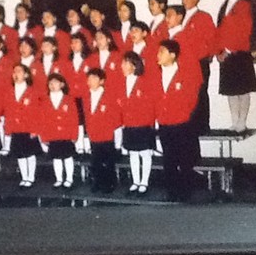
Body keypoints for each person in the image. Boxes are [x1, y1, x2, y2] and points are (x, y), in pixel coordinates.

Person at [153, 39, 201, 202]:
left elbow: (192, 98)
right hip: (164, 123)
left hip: (181, 123)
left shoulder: (184, 74)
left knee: (184, 159)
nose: (157, 55)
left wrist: (184, 114)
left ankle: (186, 192)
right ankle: (172, 192)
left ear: (172, 55)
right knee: (169, 158)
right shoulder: (156, 74)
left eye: (162, 51)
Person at [215, 0, 256, 132]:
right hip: (225, 55)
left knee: (242, 89)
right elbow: (219, 31)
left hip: (239, 53)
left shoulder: (244, 5)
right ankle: (234, 121)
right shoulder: (224, 6)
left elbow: (244, 30)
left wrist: (228, 49)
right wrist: (218, 51)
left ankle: (242, 122)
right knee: (231, 90)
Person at [117, 51, 156, 195]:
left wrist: (151, 123)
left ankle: (144, 182)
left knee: (145, 153)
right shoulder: (120, 83)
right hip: (128, 124)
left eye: (125, 63)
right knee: (133, 154)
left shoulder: (144, 82)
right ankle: (136, 181)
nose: (122, 66)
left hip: (143, 124)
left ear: (134, 65)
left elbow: (150, 104)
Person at [181, 0, 216, 134]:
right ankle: (188, 122)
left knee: (201, 92)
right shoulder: (180, 17)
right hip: (184, 62)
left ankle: (202, 125)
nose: (185, 0)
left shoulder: (203, 17)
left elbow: (212, 37)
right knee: (186, 93)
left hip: (199, 61)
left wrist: (210, 54)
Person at [83, 68, 121, 193]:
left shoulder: (109, 95)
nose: (90, 81)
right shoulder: (86, 96)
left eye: (94, 78)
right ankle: (97, 182)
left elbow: (115, 115)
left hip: (106, 134)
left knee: (108, 160)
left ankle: (110, 182)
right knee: (96, 160)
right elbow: (87, 115)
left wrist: (110, 128)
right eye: (89, 78)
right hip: (93, 134)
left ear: (101, 81)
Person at [4, 64, 41, 188]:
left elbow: (37, 112)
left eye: (19, 71)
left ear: (26, 75)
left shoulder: (32, 91)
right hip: (15, 128)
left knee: (30, 154)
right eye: (14, 71)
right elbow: (8, 111)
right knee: (20, 154)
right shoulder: (9, 91)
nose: (16, 74)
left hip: (28, 128)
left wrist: (35, 129)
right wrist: (8, 129)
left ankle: (31, 177)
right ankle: (24, 177)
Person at [38, 73, 79, 189]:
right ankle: (59, 179)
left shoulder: (69, 99)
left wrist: (74, 135)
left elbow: (74, 119)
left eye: (55, 82)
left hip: (66, 134)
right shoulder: (45, 100)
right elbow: (42, 120)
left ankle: (69, 179)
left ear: (62, 84)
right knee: (56, 158)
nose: (52, 85)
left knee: (67, 157)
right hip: (53, 134)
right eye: (50, 83)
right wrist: (44, 137)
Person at [66, 32, 92, 154]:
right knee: (76, 121)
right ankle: (79, 145)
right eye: (72, 42)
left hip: (86, 95)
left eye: (77, 42)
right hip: (72, 96)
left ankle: (88, 145)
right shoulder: (67, 61)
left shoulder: (89, 59)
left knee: (87, 120)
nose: (74, 45)